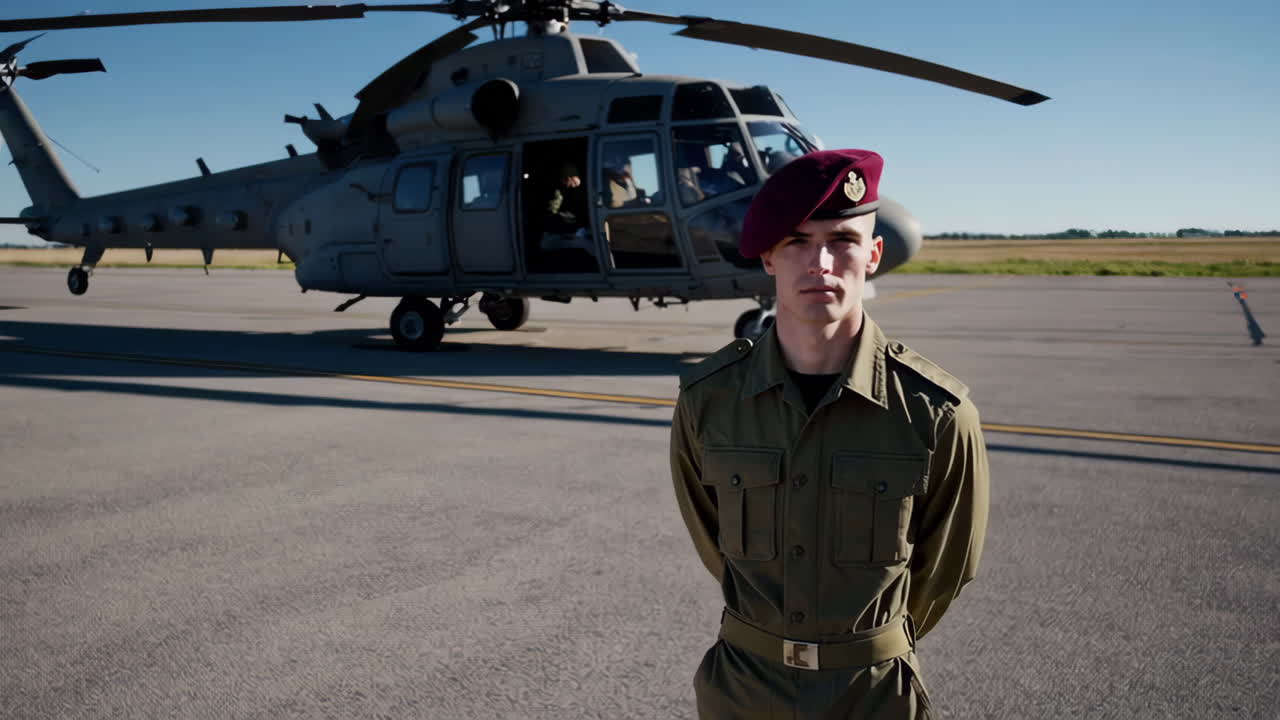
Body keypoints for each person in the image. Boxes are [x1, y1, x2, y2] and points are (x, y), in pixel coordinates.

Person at [670, 149, 989, 719]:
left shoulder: (936, 412)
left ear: (873, 255)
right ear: (768, 256)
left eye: (842, 240)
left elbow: (945, 570)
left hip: (871, 695)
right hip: (743, 690)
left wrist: (861, 644)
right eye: (796, 241)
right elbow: (713, 542)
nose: (819, 262)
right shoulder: (708, 402)